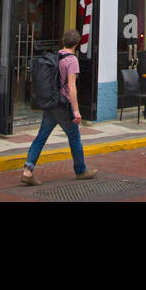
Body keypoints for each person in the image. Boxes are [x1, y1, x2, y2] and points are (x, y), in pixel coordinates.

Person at [20, 30, 96, 186]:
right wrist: (76, 110)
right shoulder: (72, 60)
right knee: (74, 136)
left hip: (51, 103)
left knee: (41, 136)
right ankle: (81, 170)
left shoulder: (56, 56)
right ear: (77, 43)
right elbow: (71, 86)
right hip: (62, 105)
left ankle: (28, 170)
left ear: (63, 41)